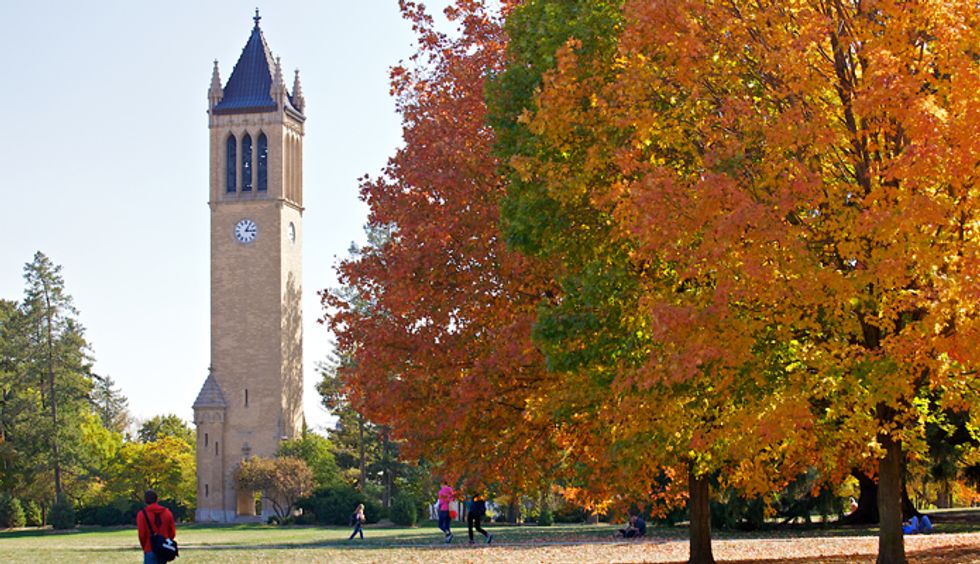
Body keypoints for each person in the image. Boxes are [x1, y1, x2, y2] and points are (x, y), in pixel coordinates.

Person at [137, 490, 176, 564]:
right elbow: (172, 532)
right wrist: (166, 540)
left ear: (145, 501)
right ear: (157, 499)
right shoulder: (167, 512)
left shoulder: (142, 514)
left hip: (149, 548)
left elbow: (142, 534)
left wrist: (145, 547)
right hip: (163, 548)